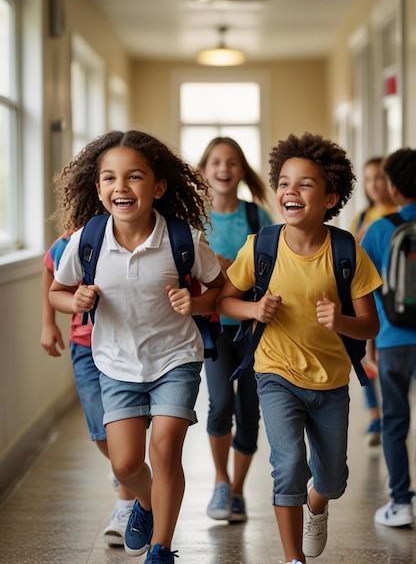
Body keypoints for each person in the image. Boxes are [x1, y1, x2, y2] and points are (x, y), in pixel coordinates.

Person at [48, 130, 224, 564]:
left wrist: (197, 301)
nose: (120, 187)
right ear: (98, 189)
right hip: (115, 362)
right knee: (125, 465)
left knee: (164, 450)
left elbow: (222, 287)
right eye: (109, 178)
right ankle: (145, 504)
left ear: (158, 187)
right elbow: (57, 289)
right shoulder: (86, 242)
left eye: (134, 177)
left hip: (176, 359)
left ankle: (161, 548)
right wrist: (75, 300)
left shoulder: (183, 239)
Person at [215, 132, 382, 564]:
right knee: (287, 466)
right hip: (276, 375)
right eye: (284, 182)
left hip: (330, 383)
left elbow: (370, 325)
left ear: (331, 198)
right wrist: (253, 311)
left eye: (305, 184)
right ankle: (294, 559)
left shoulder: (347, 252)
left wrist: (340, 320)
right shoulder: (261, 247)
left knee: (331, 480)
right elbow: (224, 301)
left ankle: (319, 504)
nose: (291, 191)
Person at [41, 235, 136, 547]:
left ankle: (126, 505)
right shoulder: (71, 241)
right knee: (101, 432)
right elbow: (51, 272)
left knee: (124, 427)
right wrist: (48, 323)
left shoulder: (135, 233)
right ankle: (127, 474)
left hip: (125, 345)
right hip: (85, 346)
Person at [198, 136, 274, 524]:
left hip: (253, 330)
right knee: (220, 405)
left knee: (249, 412)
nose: (223, 169)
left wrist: (239, 271)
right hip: (212, 330)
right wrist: (216, 270)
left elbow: (278, 266)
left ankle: (239, 492)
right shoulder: (195, 219)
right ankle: (220, 482)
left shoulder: (257, 217)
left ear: (241, 170)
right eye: (215, 162)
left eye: (231, 162)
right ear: (204, 170)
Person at [361, 147, 416, 528]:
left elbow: (362, 289)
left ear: (393, 187)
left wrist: (369, 344)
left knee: (394, 422)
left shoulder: (380, 229)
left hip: (393, 339)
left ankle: (400, 503)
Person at [350, 157, 398, 446]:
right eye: (368, 180)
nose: (374, 185)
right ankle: (375, 416)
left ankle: (391, 415)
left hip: (393, 298)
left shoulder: (400, 213)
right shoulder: (363, 216)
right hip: (370, 295)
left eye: (379, 178)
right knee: (365, 357)